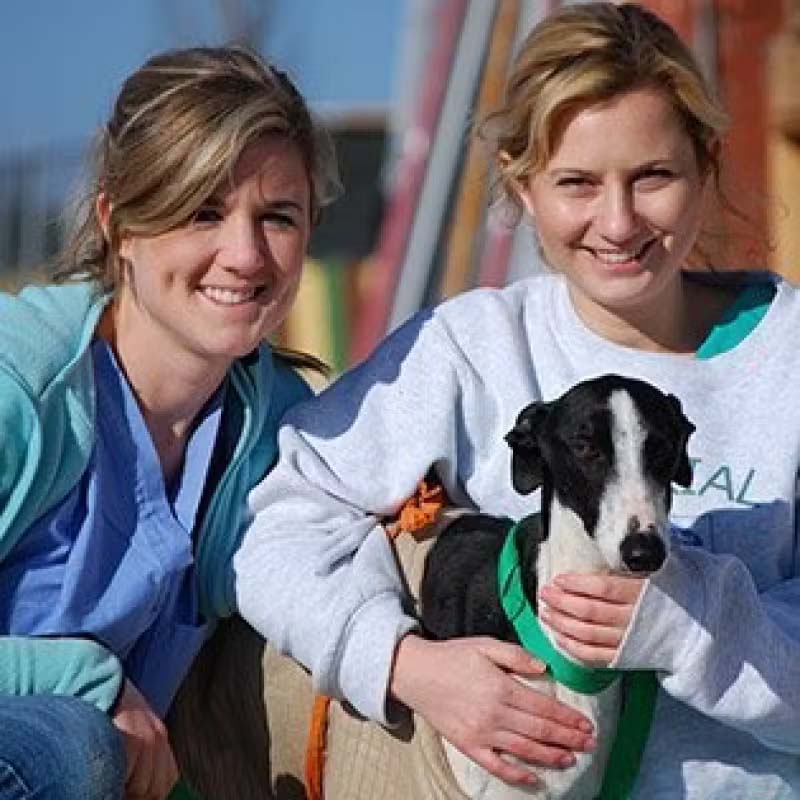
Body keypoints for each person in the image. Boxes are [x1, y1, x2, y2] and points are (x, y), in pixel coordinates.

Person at [234, 3, 800, 797]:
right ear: (521, 185)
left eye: (653, 176)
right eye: (577, 182)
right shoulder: (471, 349)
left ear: (707, 165)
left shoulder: (788, 358)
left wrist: (698, 626)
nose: (618, 220)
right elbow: (282, 528)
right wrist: (401, 662)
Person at [0, 45, 338, 800]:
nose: (245, 254)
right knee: (70, 743)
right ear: (119, 225)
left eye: (277, 217)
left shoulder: (277, 425)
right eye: (203, 211)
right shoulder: (21, 387)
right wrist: (90, 684)